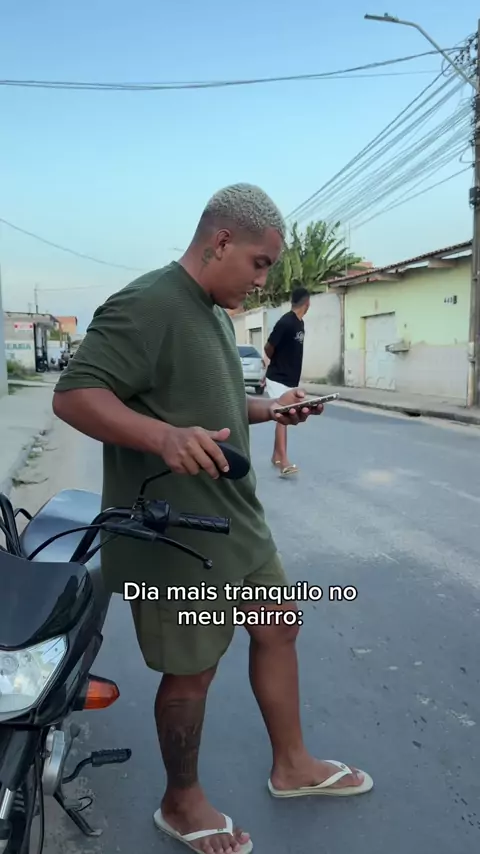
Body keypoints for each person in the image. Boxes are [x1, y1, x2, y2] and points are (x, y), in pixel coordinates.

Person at [52, 183, 373, 854]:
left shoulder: (214, 316)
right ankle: (181, 802)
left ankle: (293, 766)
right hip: (176, 536)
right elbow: (75, 395)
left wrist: (272, 409)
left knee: (279, 626)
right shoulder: (148, 303)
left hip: (238, 523)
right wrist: (161, 438)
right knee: (192, 671)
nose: (263, 282)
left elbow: (214, 404)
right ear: (220, 242)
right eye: (259, 263)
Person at [264, 287, 310, 476]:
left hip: (290, 378)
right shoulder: (286, 322)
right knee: (283, 415)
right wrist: (275, 363)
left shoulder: (300, 323)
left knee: (283, 415)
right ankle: (283, 461)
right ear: (307, 303)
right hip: (277, 376)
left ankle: (276, 455)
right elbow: (268, 347)